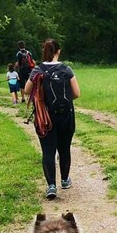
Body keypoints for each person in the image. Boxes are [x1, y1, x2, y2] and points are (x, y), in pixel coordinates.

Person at [24, 39, 81, 200]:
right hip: (66, 116)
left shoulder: (38, 69)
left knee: (48, 151)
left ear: (44, 51)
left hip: (45, 117)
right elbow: (76, 93)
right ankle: (64, 180)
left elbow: (28, 91)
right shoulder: (66, 69)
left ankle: (51, 186)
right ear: (58, 51)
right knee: (64, 148)